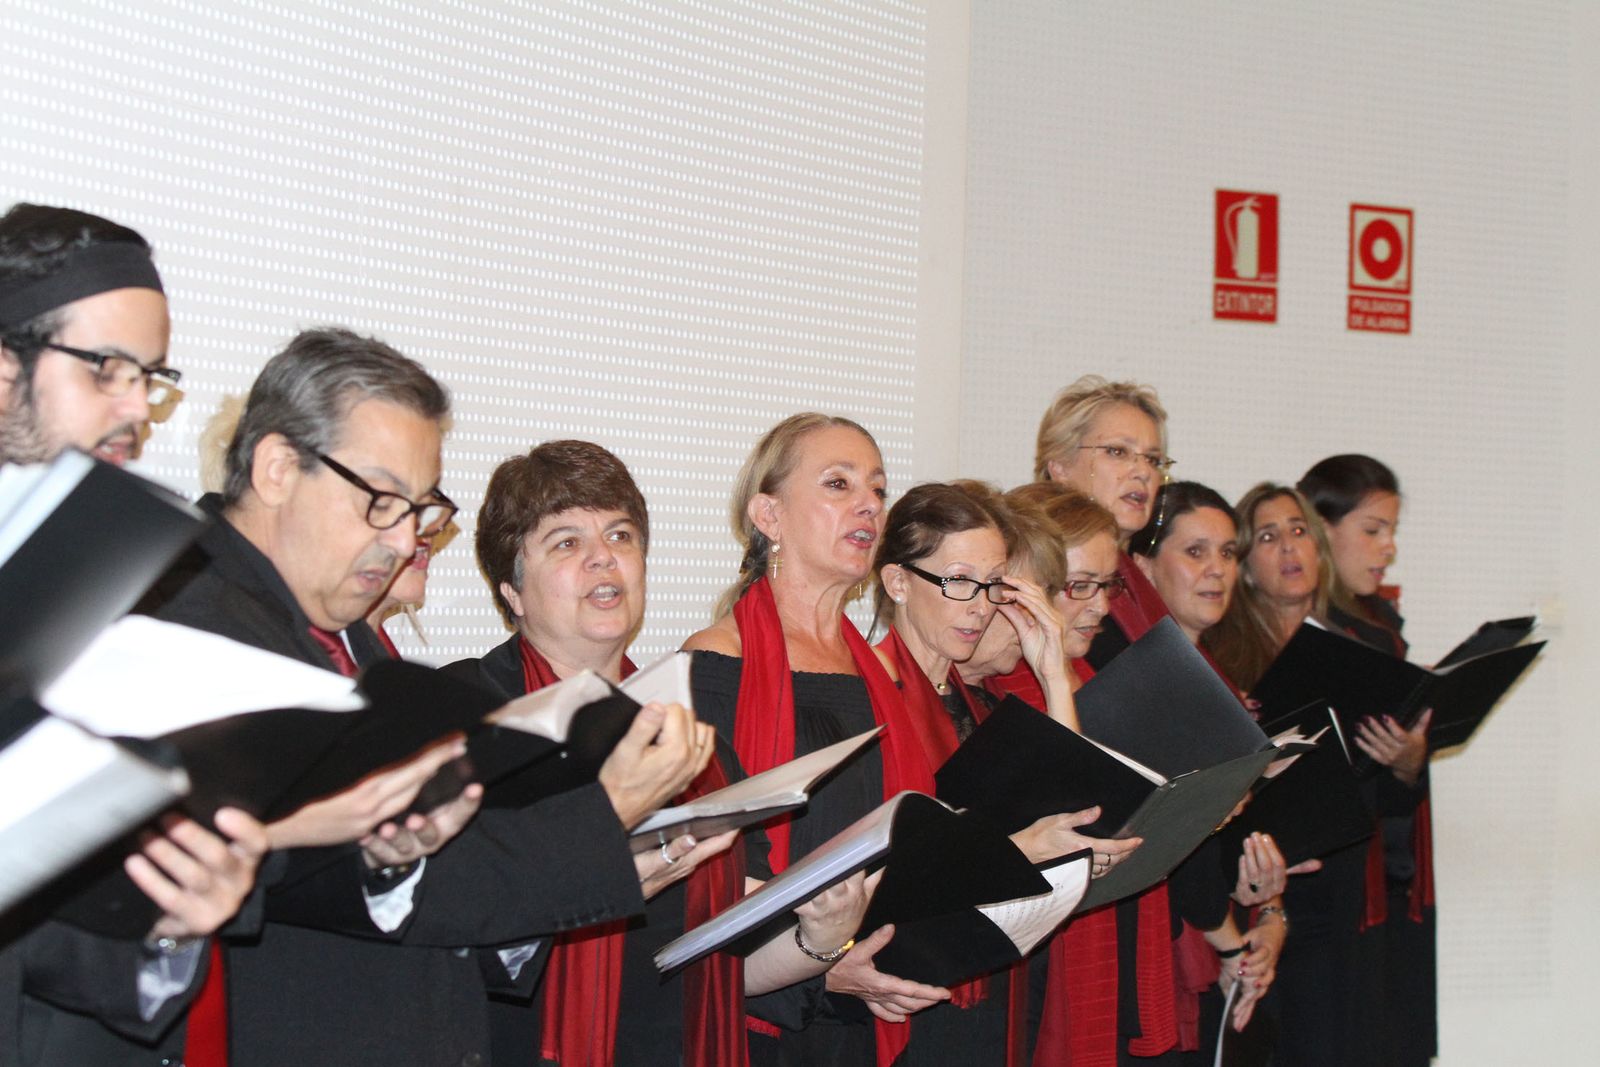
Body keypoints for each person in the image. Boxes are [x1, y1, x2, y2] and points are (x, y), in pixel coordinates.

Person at [146, 327, 705, 1065]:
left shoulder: (354, 639)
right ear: (278, 467)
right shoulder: (193, 615)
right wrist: (602, 816)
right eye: (382, 501)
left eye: (421, 510)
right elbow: (294, 889)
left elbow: (421, 893)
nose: (404, 539)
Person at [451, 438, 870, 1066]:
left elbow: (728, 967)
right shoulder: (466, 714)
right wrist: (596, 864)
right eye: (567, 543)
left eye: (621, 537)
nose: (603, 560)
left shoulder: (692, 736)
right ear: (511, 588)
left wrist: (821, 937)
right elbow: (453, 932)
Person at [0, 202, 269, 1066]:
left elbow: (42, 940)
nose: (137, 409)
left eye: (149, 376)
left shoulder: (108, 590)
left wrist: (174, 923)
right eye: (107, 369)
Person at [683, 413, 957, 1065]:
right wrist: (824, 962)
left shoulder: (887, 676)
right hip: (769, 1023)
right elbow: (704, 883)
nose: (868, 503)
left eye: (878, 489)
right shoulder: (715, 664)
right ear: (768, 516)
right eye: (838, 483)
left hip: (875, 1015)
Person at [871, 480, 1138, 1062]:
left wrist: (1050, 669)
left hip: (985, 970)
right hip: (910, 985)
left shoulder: (971, 700)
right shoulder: (871, 697)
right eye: (961, 582)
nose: (981, 605)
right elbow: (901, 878)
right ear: (897, 583)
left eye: (991, 585)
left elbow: (1063, 804)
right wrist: (1024, 849)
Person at [1201, 483, 1388, 1067]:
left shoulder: (1362, 644)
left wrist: (1403, 757)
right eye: (1266, 536)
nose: (1288, 547)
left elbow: (1389, 794)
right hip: (1257, 883)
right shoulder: (1222, 658)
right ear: (1247, 566)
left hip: (1343, 881)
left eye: (1299, 530)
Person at [1129, 482, 1301, 1059]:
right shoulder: (1151, 679)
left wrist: (1272, 912)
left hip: (1239, 930)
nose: (1217, 570)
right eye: (1195, 552)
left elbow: (1244, 834)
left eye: (1228, 553)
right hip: (1185, 946)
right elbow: (1175, 839)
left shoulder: (1220, 674)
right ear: (1143, 564)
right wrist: (1230, 944)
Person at [1299, 455, 1435, 1067]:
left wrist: (1408, 763)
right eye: (1374, 529)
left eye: (1392, 531)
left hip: (1385, 881)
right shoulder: (1284, 628)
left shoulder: (1381, 628)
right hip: (1316, 896)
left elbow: (1396, 792)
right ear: (1323, 529)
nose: (1389, 548)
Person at [1033, 375, 1175, 670]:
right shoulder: (1030, 565)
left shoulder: (1136, 584)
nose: (1143, 472)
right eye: (1117, 452)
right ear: (1059, 467)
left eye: (1152, 459)